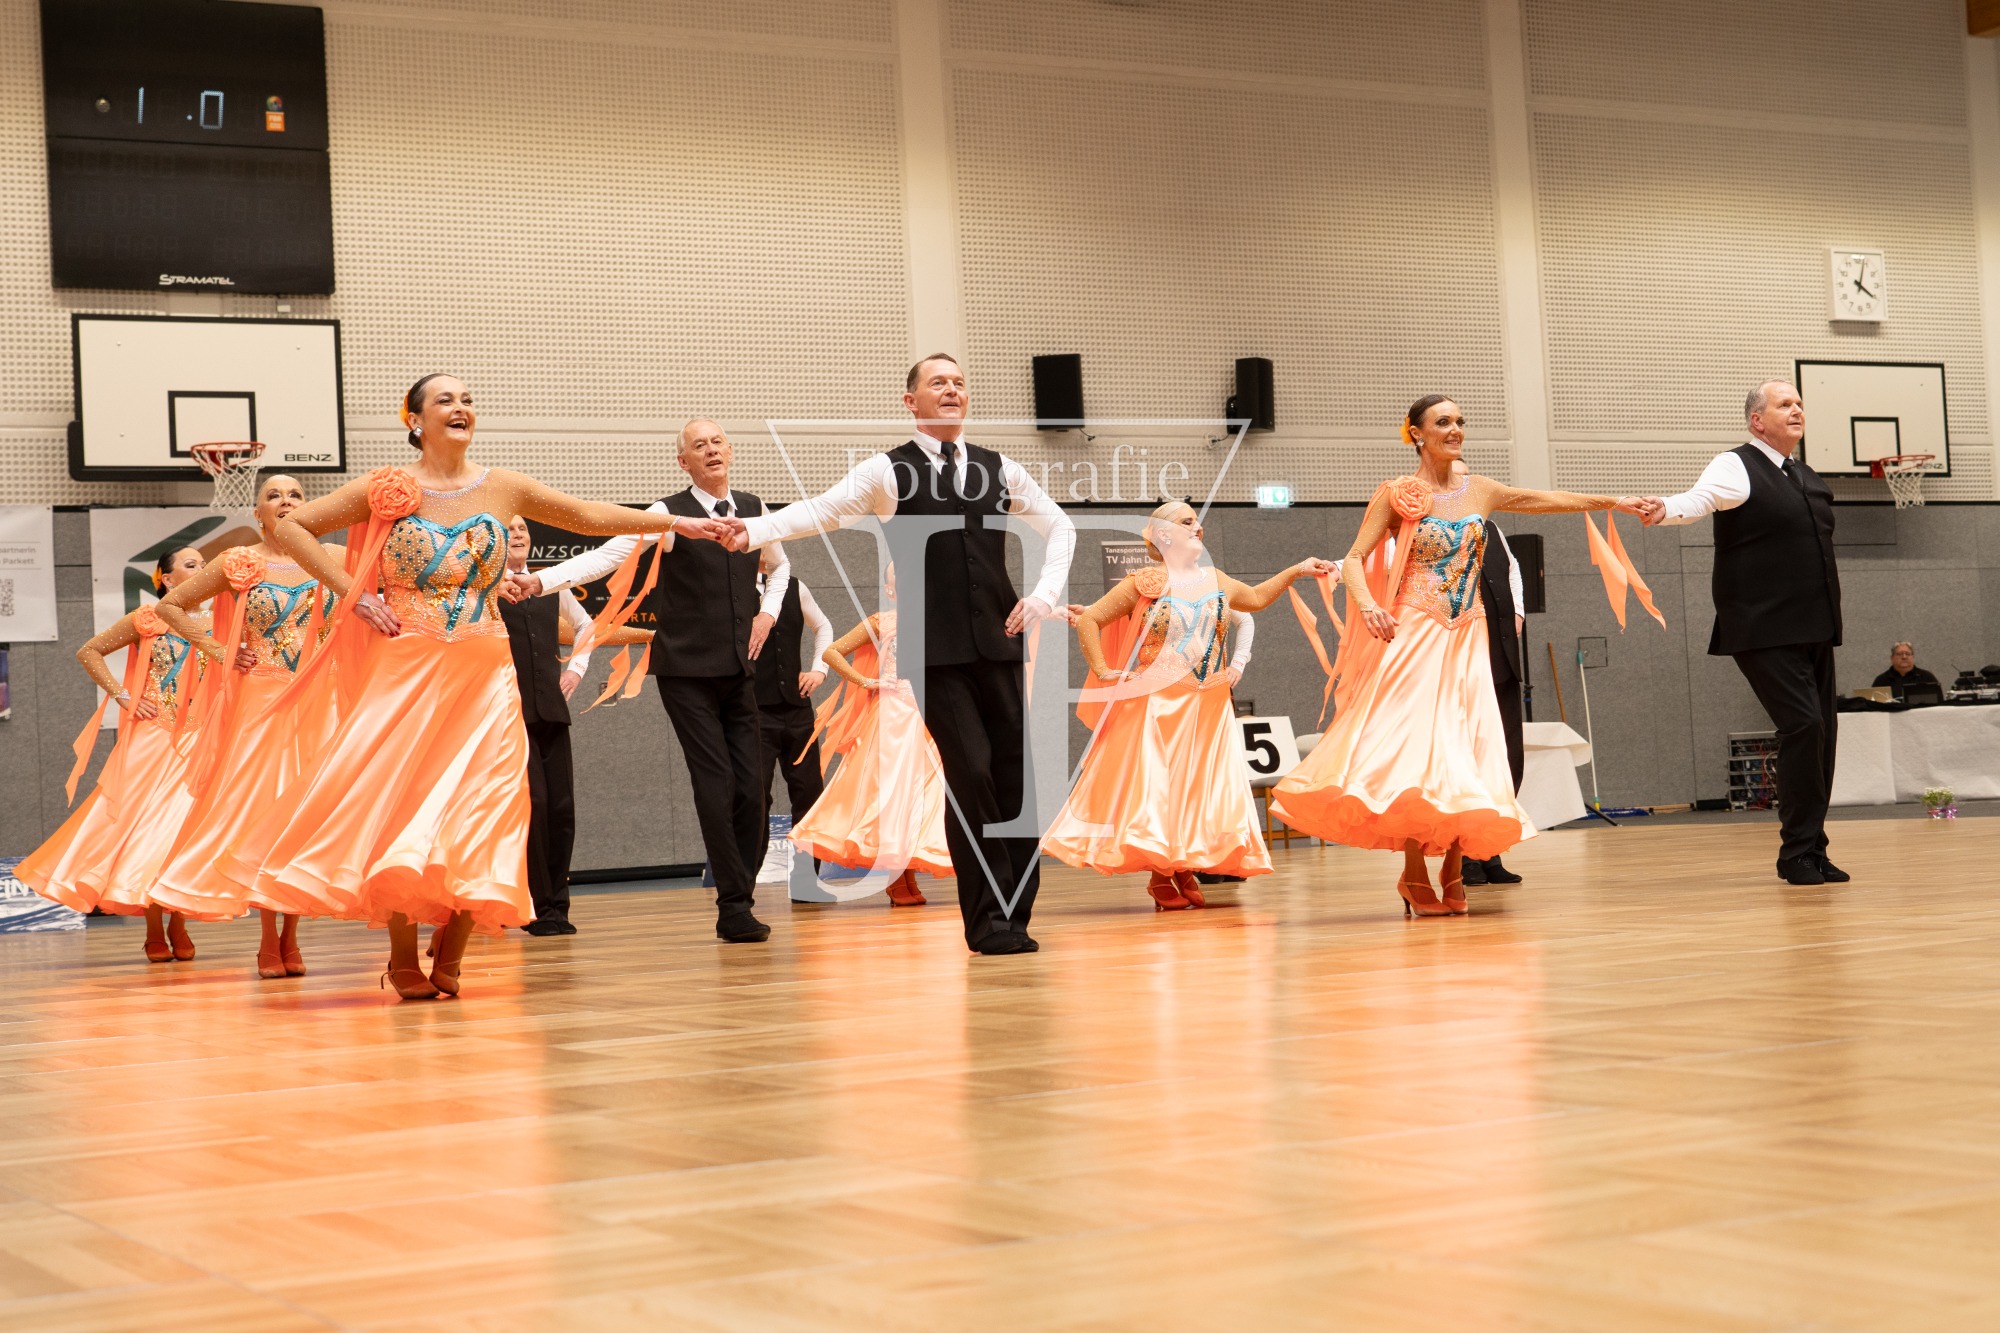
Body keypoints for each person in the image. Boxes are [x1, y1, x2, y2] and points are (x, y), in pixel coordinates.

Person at [221, 373, 697, 1000]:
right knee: (400, 806)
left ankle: (455, 942)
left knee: (486, 803)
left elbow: (586, 515)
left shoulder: (503, 486)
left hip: (485, 668)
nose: (461, 407)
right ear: (414, 420)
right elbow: (294, 529)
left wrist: (677, 523)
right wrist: (353, 594)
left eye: (467, 399)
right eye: (445, 399)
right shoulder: (386, 486)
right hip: (406, 668)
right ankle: (401, 955)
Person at [719, 353, 1077, 955]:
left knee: (1016, 781)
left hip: (999, 645)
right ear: (911, 401)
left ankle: (1017, 912)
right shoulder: (886, 471)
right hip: (934, 652)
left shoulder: (1000, 468)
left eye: (959, 382)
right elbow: (823, 509)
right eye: (938, 382)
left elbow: (1061, 526)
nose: (952, 389)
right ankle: (988, 921)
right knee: (972, 774)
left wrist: (1042, 597)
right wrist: (754, 531)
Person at [1272, 395, 1647, 916]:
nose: (1455, 430)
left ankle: (1453, 865)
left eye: (1460, 422)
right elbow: (1355, 559)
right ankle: (1412, 871)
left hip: (1468, 634)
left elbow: (1546, 498)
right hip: (1414, 633)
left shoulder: (1481, 490)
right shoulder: (1398, 493)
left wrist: (1615, 501)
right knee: (1414, 750)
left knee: (1467, 749)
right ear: (1416, 433)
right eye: (1443, 422)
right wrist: (1369, 606)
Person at [502, 419, 793, 944]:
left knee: (753, 790)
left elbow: (781, 567)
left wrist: (768, 613)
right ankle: (733, 907)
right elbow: (608, 556)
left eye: (717, 442)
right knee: (716, 783)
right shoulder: (666, 513)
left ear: (730, 451)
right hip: (686, 673)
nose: (711, 449)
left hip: (739, 672)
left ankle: (740, 890)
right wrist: (540, 580)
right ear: (684, 461)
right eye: (699, 445)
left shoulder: (753, 507)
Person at [1045, 501, 1336, 909]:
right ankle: (1162, 872)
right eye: (1187, 521)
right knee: (1160, 789)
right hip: (1158, 703)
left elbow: (1254, 599)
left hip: (1210, 702)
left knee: (1198, 789)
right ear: (1164, 534)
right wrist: (1104, 670)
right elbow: (1091, 620)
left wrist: (1297, 570)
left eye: (1197, 520)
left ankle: (1183, 864)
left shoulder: (1216, 579)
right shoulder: (1145, 581)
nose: (1198, 526)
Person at [1636, 380, 1847, 886]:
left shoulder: (1806, 475)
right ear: (1757, 420)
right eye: (1784, 404)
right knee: (1803, 726)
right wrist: (1665, 508)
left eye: (1799, 403)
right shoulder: (1735, 465)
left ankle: (1814, 848)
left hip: (1815, 626)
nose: (1797, 409)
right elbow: (1701, 498)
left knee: (1822, 737)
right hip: (1762, 625)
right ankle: (1795, 854)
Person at [151, 476, 344, 978]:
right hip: (260, 701)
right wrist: (219, 650)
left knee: (301, 816)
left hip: (318, 699)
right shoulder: (239, 560)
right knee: (262, 814)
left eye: (296, 495)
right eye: (274, 495)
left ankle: (291, 936)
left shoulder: (333, 558)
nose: (286, 501)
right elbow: (170, 607)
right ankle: (266, 939)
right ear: (257, 513)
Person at [17, 548, 211, 963]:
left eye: (205, 564)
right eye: (191, 565)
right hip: (153, 737)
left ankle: (178, 921)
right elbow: (89, 651)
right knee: (140, 830)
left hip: (201, 737)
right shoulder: (148, 618)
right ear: (167, 579)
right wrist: (124, 696)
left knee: (180, 831)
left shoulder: (220, 621)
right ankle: (154, 927)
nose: (202, 569)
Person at [792, 563, 952, 905]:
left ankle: (909, 871)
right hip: (892, 719)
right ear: (890, 589)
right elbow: (832, 651)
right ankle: (897, 878)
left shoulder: (939, 619)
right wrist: (866, 681)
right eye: (899, 579)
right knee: (891, 795)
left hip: (930, 716)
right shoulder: (882, 622)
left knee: (926, 795)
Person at [497, 515, 595, 937]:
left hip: (552, 712)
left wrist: (576, 670)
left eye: (522, 528)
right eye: (508, 529)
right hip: (508, 715)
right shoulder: (485, 588)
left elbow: (587, 625)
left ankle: (558, 905)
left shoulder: (550, 583)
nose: (517, 534)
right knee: (533, 806)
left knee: (560, 808)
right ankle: (537, 908)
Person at [752, 569, 833, 897]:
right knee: (755, 798)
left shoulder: (795, 587)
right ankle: (744, 888)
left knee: (809, 794)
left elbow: (823, 626)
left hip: (797, 711)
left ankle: (806, 883)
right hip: (754, 713)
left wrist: (819, 669)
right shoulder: (733, 589)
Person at [1461, 513, 1526, 888]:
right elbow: (1377, 560)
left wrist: (1517, 611)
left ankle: (1490, 851)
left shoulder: (1491, 527)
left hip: (1502, 660)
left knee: (1506, 759)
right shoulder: (1429, 529)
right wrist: (1337, 569)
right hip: (1463, 665)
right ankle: (1466, 856)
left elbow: (1512, 570)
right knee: (1471, 759)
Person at [1873, 642, 1940, 698]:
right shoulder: (1881, 680)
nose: (1904, 657)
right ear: (1892, 658)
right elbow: (1873, 705)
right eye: (1899, 654)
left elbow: (1938, 703)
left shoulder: (1927, 677)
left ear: (1913, 657)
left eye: (1908, 654)